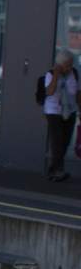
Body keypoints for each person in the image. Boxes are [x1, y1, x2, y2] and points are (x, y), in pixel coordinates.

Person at [44, 49, 77, 183]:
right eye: (67, 65)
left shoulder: (74, 74)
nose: (69, 67)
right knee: (57, 141)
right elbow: (50, 91)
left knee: (65, 142)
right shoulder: (50, 74)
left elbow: (77, 92)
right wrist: (57, 75)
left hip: (70, 111)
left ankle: (56, 169)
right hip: (54, 111)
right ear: (60, 64)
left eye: (71, 64)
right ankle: (57, 171)